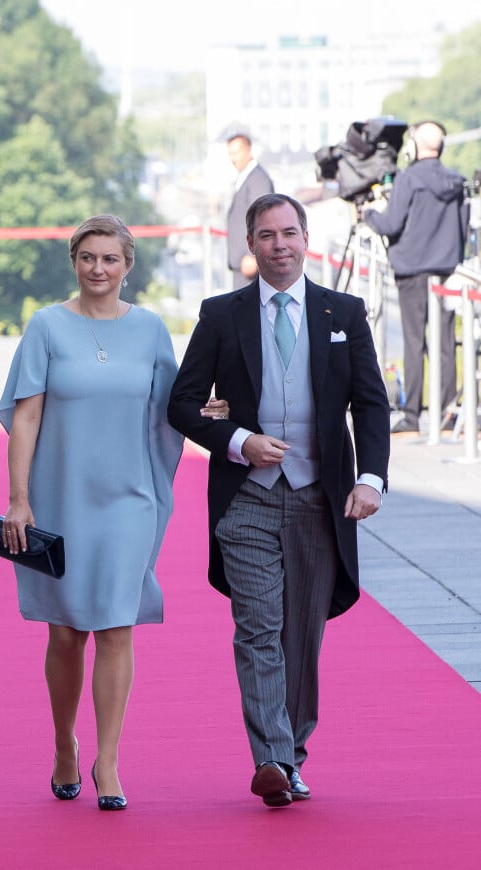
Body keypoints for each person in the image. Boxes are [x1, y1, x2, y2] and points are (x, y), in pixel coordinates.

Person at [0, 215, 228, 810]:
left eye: (110, 259)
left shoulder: (151, 330)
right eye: (88, 257)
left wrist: (220, 412)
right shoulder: (46, 326)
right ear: (74, 261)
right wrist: (19, 498)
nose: (98, 269)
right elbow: (24, 416)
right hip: (59, 497)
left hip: (130, 499)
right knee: (68, 630)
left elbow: (176, 406)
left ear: (129, 267)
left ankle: (109, 761)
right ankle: (63, 745)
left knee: (117, 626)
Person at [168, 193, 390, 808]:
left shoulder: (342, 310)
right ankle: (271, 758)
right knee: (258, 629)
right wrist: (238, 440)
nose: (280, 245)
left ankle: (292, 755)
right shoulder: (221, 314)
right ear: (250, 244)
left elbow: (370, 403)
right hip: (247, 502)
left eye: (289, 233)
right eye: (266, 235)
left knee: (303, 637)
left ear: (306, 237)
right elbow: (182, 402)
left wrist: (370, 478)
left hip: (322, 499)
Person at [363, 121, 469, 434]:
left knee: (414, 341)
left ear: (414, 148)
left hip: (412, 271)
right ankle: (448, 411)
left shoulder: (408, 179)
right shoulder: (456, 182)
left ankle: (412, 414)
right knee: (446, 343)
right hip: (446, 273)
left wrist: (369, 214)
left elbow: (390, 224)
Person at [226, 132, 274, 289]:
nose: (233, 158)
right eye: (230, 154)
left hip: (250, 262)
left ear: (248, 150)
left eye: (236, 153)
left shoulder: (258, 179)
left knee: (250, 311)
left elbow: (262, 219)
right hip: (242, 262)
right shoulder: (246, 177)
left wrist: (252, 255)